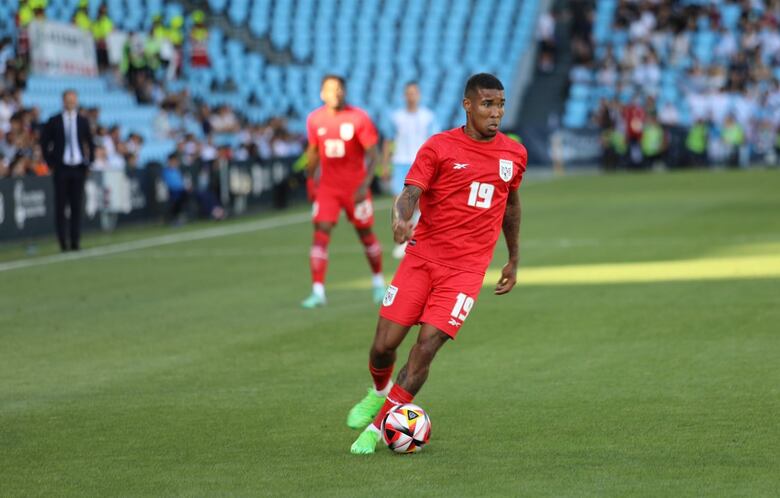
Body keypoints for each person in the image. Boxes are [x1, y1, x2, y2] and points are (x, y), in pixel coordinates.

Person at [347, 73, 527, 454]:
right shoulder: (439, 147)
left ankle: (377, 430)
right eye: (487, 104)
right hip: (422, 258)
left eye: (500, 105)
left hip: (465, 272)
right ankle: (379, 392)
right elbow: (410, 193)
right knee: (383, 346)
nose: (496, 113)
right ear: (467, 106)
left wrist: (513, 257)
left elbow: (510, 205)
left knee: (426, 347)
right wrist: (400, 218)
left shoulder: (514, 154)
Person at [302, 75, 385, 308]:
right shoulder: (314, 119)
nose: (335, 93)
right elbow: (313, 152)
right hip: (328, 188)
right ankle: (318, 291)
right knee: (321, 232)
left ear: (344, 91)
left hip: (355, 188)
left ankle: (378, 283)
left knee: (365, 233)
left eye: (339, 88)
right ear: (322, 94)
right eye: (330, 89)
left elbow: (373, 155)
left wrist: (365, 184)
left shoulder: (358, 118)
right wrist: (310, 181)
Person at [382, 81, 438, 259]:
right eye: (408, 93)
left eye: (414, 93)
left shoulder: (428, 116)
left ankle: (411, 239)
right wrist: (385, 165)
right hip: (400, 163)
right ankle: (403, 239)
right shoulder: (396, 117)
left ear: (419, 95)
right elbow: (388, 141)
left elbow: (435, 142)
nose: (411, 96)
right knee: (399, 204)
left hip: (420, 164)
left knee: (418, 204)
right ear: (404, 96)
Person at [40, 89, 95, 251]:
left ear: (76, 101)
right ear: (63, 101)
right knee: (61, 206)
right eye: (68, 99)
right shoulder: (54, 120)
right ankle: (63, 242)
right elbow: (44, 143)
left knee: (77, 206)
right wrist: (51, 162)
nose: (70, 102)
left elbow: (90, 142)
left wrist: (89, 163)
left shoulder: (83, 121)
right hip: (61, 168)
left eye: (73, 99)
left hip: (78, 167)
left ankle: (75, 241)